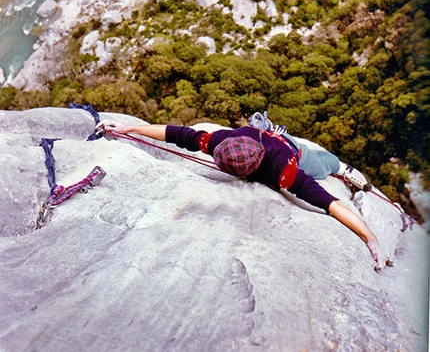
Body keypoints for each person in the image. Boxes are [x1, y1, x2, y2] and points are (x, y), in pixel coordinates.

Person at [96, 116, 386, 271]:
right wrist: (127, 128)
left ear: (250, 170)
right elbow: (177, 134)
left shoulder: (284, 172)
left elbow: (331, 203)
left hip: (290, 149)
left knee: (323, 163)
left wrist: (370, 237)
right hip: (259, 137)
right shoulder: (220, 140)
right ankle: (265, 128)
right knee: (286, 142)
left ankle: (345, 168)